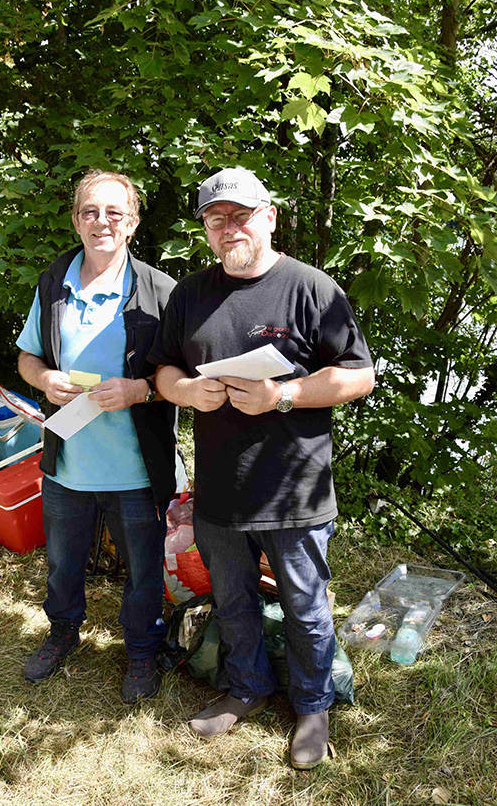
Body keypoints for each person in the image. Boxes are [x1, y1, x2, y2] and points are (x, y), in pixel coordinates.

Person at [150, 166, 374, 768]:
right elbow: (164, 368)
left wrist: (286, 395)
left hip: (294, 487)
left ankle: (312, 704)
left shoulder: (312, 288)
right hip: (222, 485)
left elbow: (358, 374)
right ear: (205, 228)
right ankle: (246, 686)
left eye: (242, 215)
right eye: (216, 218)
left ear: (269, 216)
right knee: (233, 597)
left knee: (306, 604)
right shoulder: (189, 294)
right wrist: (184, 393)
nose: (230, 228)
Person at [16, 169, 177, 703]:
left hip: (137, 466)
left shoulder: (160, 291)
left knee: (144, 571)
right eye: (90, 212)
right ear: (75, 221)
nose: (101, 222)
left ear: (131, 223)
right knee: (62, 562)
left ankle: (140, 652)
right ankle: (63, 633)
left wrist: (139, 390)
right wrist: (43, 378)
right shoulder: (52, 283)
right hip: (68, 459)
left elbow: (185, 380)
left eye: (114, 212)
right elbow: (27, 356)